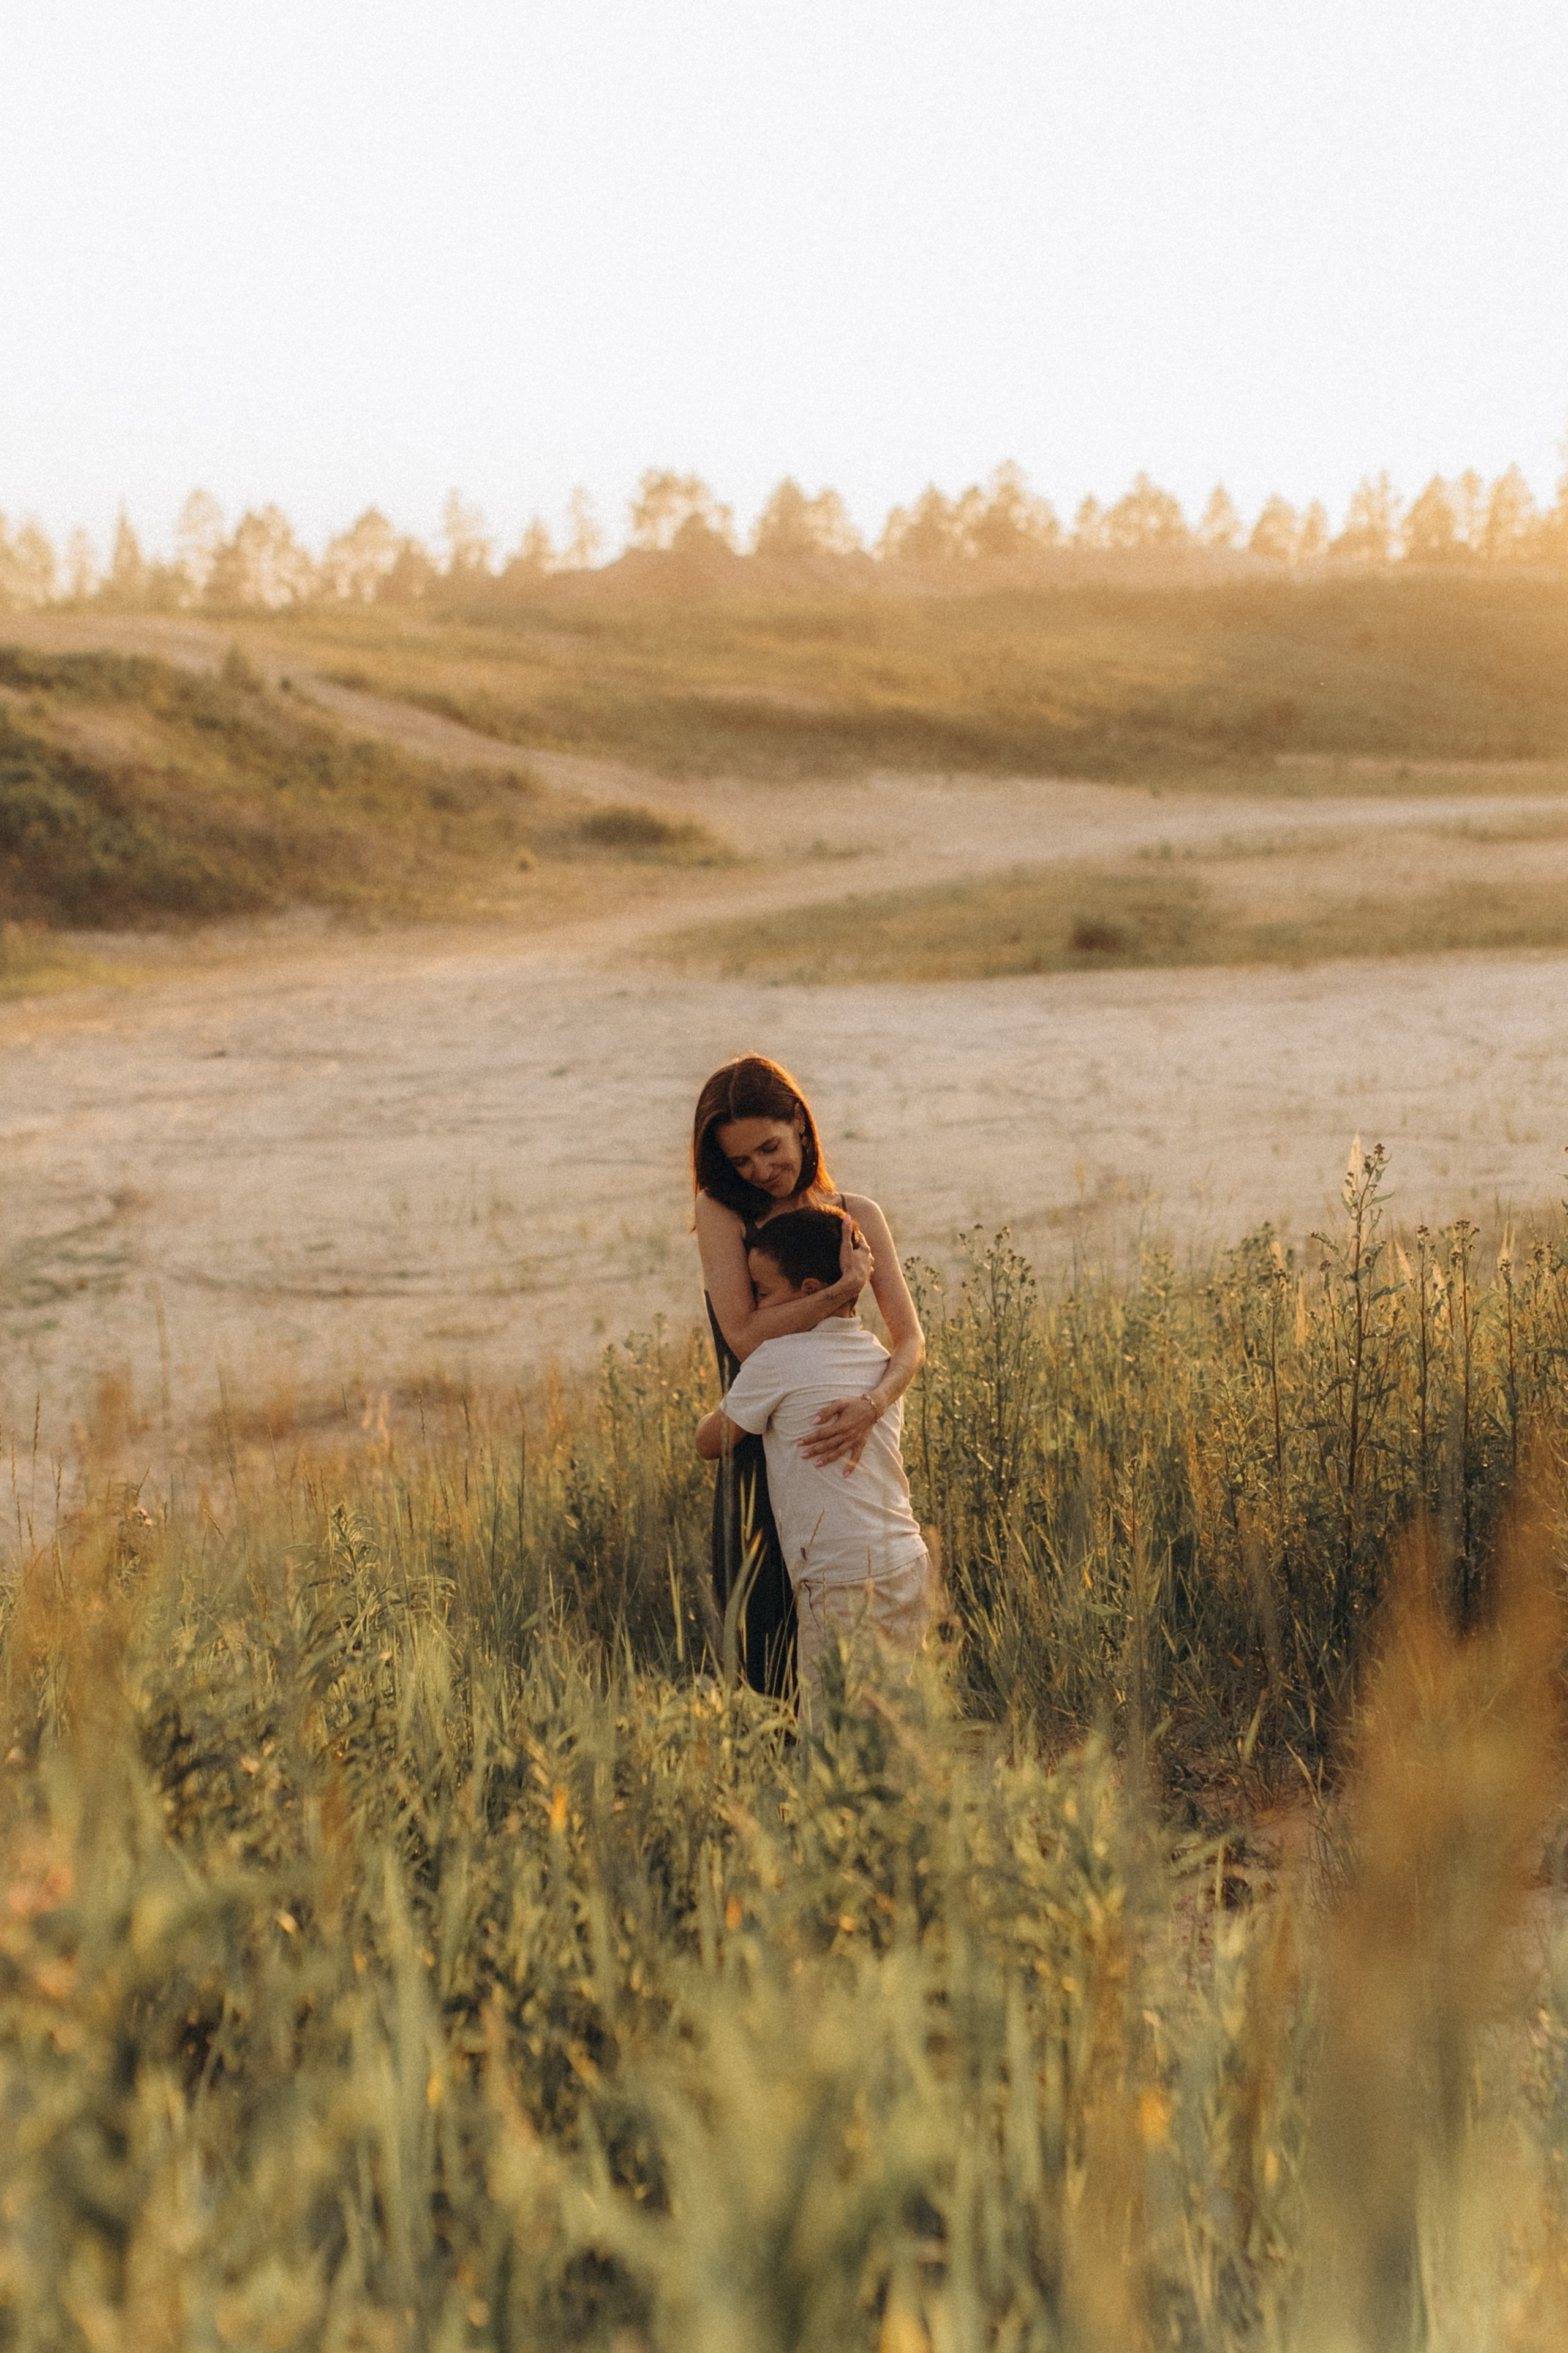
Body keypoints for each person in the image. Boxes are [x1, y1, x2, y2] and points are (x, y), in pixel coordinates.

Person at [692, 1054, 925, 1696]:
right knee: (765, 1656)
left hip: (842, 1451)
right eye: (741, 1161)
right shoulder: (724, 1213)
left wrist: (873, 1405)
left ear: (799, 1121)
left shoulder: (856, 1215)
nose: (761, 1171)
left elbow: (909, 1340)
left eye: (770, 1148)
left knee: (866, 1666)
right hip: (757, 1456)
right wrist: (839, 1291)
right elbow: (742, 1334)